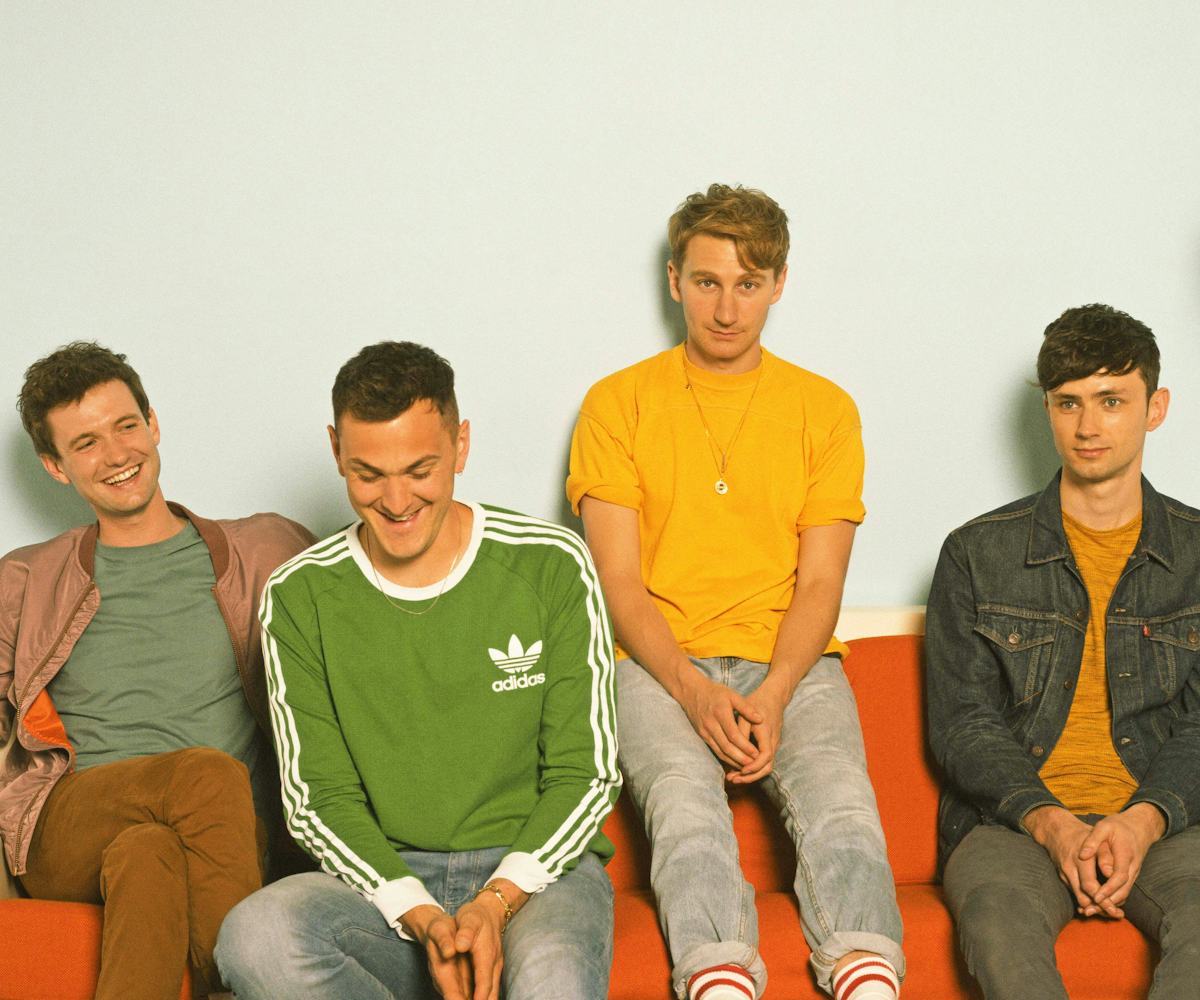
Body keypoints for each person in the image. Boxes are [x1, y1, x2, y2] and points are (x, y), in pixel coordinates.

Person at [568, 184, 904, 1000]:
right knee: (685, 813)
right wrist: (689, 686)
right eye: (708, 281)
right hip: (654, 662)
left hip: (788, 656)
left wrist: (779, 690)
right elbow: (617, 580)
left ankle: (867, 974)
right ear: (674, 279)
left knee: (844, 810)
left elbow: (822, 580)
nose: (726, 307)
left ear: (779, 284)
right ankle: (719, 978)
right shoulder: (618, 404)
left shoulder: (824, 410)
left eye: (748, 284)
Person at [215, 340, 620, 1000]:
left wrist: (494, 904)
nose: (396, 500)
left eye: (420, 469)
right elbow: (320, 799)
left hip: (536, 877)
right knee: (256, 937)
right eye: (367, 473)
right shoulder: (298, 596)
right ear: (336, 451)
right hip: (384, 886)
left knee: (552, 981)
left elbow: (587, 773)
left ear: (460, 446)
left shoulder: (551, 563)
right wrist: (421, 914)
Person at [0, 342, 314, 1000]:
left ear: (154, 424)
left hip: (220, 839)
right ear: (55, 467)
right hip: (70, 825)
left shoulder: (266, 549)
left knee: (149, 854)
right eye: (85, 443)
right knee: (204, 772)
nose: (116, 455)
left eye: (125, 426)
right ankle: (236, 987)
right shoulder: (24, 581)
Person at [926, 303, 1200, 998]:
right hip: (1014, 824)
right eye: (1068, 403)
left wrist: (1142, 822)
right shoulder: (976, 553)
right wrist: (1051, 824)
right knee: (999, 925)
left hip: (1164, 821)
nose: (1087, 426)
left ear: (1156, 407)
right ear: (1047, 408)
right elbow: (963, 723)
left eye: (1112, 401)